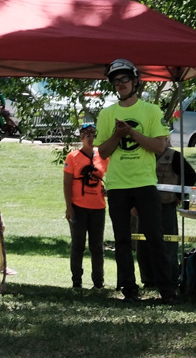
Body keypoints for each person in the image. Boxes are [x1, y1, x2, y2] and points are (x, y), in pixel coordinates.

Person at [94, 58, 177, 305]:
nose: (120, 84)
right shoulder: (107, 114)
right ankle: (129, 290)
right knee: (121, 240)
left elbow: (160, 147)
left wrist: (130, 132)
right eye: (116, 81)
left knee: (155, 237)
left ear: (135, 80)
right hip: (118, 185)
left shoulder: (151, 111)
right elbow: (103, 152)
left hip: (145, 183)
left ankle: (167, 291)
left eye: (124, 79)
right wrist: (117, 136)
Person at [135, 138, 196, 287]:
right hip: (144, 208)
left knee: (169, 245)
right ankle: (148, 280)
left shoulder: (174, 157)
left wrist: (179, 196)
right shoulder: (141, 155)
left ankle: (171, 279)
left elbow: (191, 175)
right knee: (143, 244)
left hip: (166, 207)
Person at [63, 123, 109, 289]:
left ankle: (98, 281)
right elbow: (67, 184)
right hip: (78, 207)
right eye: (87, 135)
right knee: (78, 245)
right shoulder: (73, 157)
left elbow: (113, 178)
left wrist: (107, 191)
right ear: (81, 138)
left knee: (97, 246)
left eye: (93, 135)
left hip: (98, 207)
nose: (90, 138)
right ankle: (77, 281)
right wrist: (69, 207)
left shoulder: (103, 157)